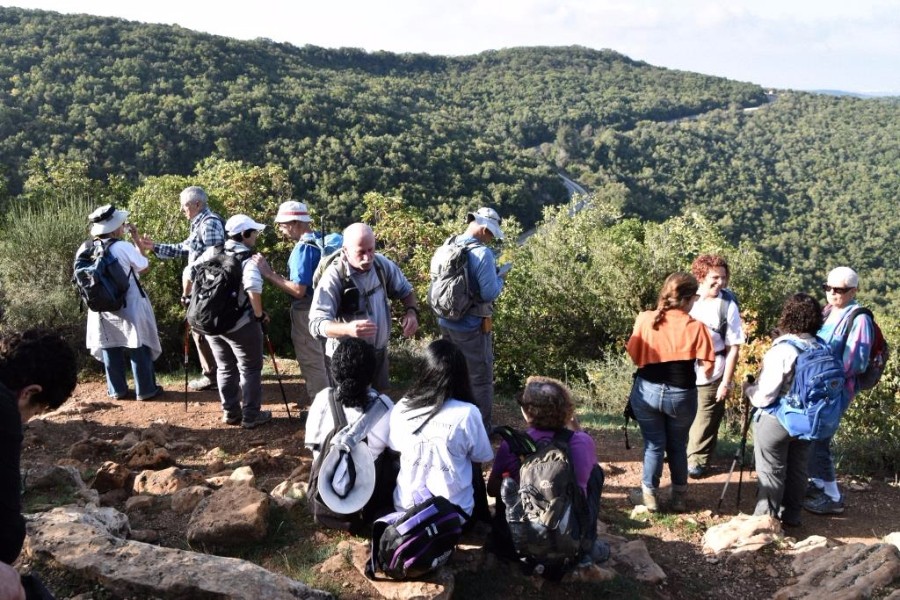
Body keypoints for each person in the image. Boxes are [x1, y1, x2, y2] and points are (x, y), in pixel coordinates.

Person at [487, 376, 607, 567]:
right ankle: (587, 544)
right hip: (570, 539)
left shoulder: (511, 445)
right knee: (596, 474)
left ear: (527, 413)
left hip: (518, 543)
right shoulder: (582, 442)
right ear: (567, 410)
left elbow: (493, 490)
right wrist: (574, 423)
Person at [625, 273, 716, 512]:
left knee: (654, 444)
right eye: (695, 297)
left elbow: (635, 356)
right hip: (682, 394)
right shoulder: (696, 327)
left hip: (647, 391)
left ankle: (650, 497)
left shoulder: (646, 319)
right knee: (678, 445)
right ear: (687, 299)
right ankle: (679, 498)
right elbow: (708, 368)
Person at [0, 329, 78, 599]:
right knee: (10, 584)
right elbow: (5, 536)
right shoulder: (4, 410)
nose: (27, 420)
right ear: (29, 392)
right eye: (35, 411)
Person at [387, 339, 493, 521]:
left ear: (423, 371)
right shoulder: (468, 413)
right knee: (470, 463)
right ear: (461, 375)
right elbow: (482, 457)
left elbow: (394, 448)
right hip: (453, 517)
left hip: (405, 512)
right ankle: (482, 519)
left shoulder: (402, 406)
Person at [743, 293, 823, 527]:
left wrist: (749, 390)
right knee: (798, 469)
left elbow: (765, 395)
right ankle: (792, 517)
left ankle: (765, 521)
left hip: (777, 419)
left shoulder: (783, 350)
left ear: (788, 316)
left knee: (771, 470)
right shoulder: (820, 346)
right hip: (808, 419)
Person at [309, 223, 419, 391]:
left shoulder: (381, 265)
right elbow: (316, 324)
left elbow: (406, 291)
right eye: (360, 252)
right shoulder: (333, 277)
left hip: (378, 356)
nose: (368, 258)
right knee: (350, 410)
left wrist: (411, 313)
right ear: (345, 250)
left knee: (380, 406)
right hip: (348, 360)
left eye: (371, 250)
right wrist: (348, 329)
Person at [138, 186, 225, 392]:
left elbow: (215, 258)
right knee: (200, 328)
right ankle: (217, 374)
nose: (182, 210)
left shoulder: (209, 223)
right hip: (203, 288)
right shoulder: (200, 223)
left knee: (203, 328)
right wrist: (155, 247)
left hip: (207, 289)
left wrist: (190, 277)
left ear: (197, 204)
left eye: (184, 206)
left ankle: (216, 376)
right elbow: (184, 248)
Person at [305, 337, 395, 530]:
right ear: (372, 374)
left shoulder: (322, 398)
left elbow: (312, 445)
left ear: (335, 372)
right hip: (367, 498)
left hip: (324, 491)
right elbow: (397, 448)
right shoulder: (385, 407)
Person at [805, 267, 874, 515]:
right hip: (817, 387)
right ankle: (818, 484)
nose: (832, 293)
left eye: (840, 290)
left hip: (836, 390)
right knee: (811, 436)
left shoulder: (860, 318)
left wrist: (827, 373)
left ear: (853, 291)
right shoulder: (829, 311)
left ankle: (833, 497)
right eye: (828, 288)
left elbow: (856, 362)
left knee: (820, 439)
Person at [191, 214, 271, 429]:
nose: (256, 236)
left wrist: (187, 297)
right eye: (253, 232)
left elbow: (189, 272)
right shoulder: (248, 260)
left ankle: (230, 412)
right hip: (240, 324)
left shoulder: (212, 252)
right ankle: (251, 415)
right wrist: (258, 315)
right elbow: (253, 289)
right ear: (244, 234)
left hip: (211, 322)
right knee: (250, 368)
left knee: (225, 368)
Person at [436, 207, 509, 433]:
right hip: (471, 325)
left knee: (450, 372)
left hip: (446, 321)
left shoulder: (448, 244)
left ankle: (448, 423)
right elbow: (489, 293)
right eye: (491, 235)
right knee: (481, 378)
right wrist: (500, 279)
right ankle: (481, 430)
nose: (491, 240)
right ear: (485, 229)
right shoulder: (482, 254)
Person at [83, 205, 163, 401]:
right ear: (116, 228)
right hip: (129, 303)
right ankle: (145, 390)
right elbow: (143, 267)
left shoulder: (86, 248)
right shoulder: (123, 247)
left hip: (100, 307)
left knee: (109, 344)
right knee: (137, 344)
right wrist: (136, 240)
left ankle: (117, 390)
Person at [252, 201, 329, 402]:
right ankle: (337, 407)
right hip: (329, 309)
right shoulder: (322, 240)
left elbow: (298, 290)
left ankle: (323, 412)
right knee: (328, 359)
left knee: (312, 362)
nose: (281, 229)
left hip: (306, 313)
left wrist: (268, 274)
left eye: (283, 224)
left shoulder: (302, 250)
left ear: (295, 223)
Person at [686, 254, 745, 478]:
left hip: (714, 369)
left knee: (706, 417)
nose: (719, 282)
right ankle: (683, 453)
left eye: (723, 277)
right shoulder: (689, 298)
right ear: (700, 276)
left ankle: (697, 461)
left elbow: (734, 347)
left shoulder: (727, 306)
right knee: (684, 413)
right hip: (685, 368)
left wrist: (726, 383)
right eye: (714, 277)